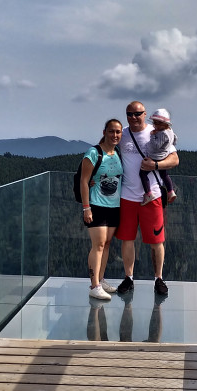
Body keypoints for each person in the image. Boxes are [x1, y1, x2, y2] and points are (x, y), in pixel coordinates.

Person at [116, 100, 179, 297]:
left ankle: (159, 278)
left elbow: (175, 159)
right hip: (127, 196)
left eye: (138, 113)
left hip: (152, 196)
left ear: (145, 114)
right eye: (130, 114)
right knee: (127, 239)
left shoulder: (157, 131)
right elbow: (105, 150)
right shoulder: (122, 134)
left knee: (157, 241)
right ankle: (129, 278)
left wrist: (156, 166)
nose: (134, 117)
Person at [79, 118, 123, 301]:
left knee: (107, 244)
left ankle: (101, 280)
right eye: (111, 131)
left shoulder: (117, 153)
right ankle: (94, 285)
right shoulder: (93, 153)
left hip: (114, 206)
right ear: (104, 132)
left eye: (118, 132)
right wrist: (86, 208)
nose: (115, 135)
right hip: (96, 204)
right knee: (98, 245)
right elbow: (83, 181)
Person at [139, 107, 177, 205]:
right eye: (154, 123)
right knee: (164, 174)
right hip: (164, 155)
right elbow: (175, 139)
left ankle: (148, 193)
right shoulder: (170, 131)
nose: (155, 125)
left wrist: (152, 135)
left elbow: (156, 145)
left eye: (157, 123)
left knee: (142, 173)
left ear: (164, 124)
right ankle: (170, 191)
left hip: (156, 156)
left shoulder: (162, 133)